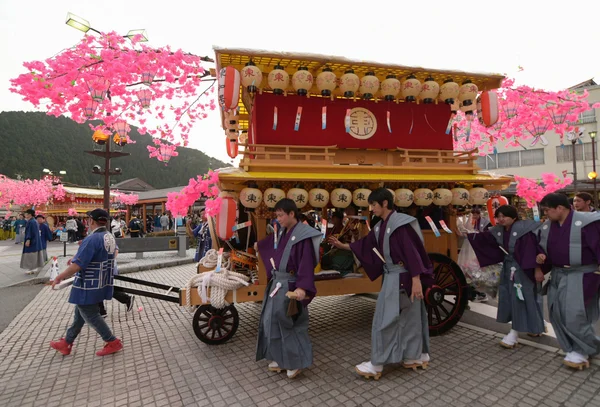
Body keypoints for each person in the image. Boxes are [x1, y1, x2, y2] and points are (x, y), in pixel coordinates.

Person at [329, 188, 434, 379]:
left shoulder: (400, 224)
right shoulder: (380, 226)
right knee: (410, 318)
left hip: (403, 278)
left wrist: (416, 279)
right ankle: (415, 356)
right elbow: (366, 245)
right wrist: (343, 246)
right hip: (396, 277)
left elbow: (412, 253)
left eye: (374, 204)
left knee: (383, 320)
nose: (371, 208)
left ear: (385, 203)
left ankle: (377, 364)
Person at [256, 198, 321, 379]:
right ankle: (280, 357)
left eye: (281, 215)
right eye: (276, 216)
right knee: (272, 321)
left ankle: (295, 362)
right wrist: (259, 246)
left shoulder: (303, 235)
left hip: (291, 284)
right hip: (277, 283)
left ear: (292, 214)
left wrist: (302, 288)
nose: (278, 219)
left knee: (289, 324)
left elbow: (306, 263)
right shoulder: (283, 232)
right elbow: (272, 245)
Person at [467, 205, 545, 348]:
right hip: (510, 267)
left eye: (505, 216)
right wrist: (467, 234)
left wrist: (537, 269)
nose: (501, 219)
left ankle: (514, 333)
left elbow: (531, 251)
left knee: (520, 297)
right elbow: (485, 239)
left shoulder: (524, 231)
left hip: (523, 268)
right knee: (517, 297)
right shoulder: (500, 230)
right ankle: (536, 327)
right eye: (499, 216)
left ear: (514, 217)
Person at [537, 193, 600, 370]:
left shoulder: (587, 222)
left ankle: (584, 349)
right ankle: (572, 347)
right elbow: (544, 249)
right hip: (558, 273)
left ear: (560, 208)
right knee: (556, 313)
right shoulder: (548, 226)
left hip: (582, 274)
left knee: (575, 314)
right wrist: (541, 257)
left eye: (547, 210)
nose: (546, 214)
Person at [49, 209, 123, 357]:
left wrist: (60, 277)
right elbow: (111, 254)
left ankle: (112, 341)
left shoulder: (91, 239)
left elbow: (78, 265)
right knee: (80, 313)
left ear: (91, 221)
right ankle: (67, 342)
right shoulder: (108, 236)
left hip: (89, 283)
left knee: (90, 314)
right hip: (103, 280)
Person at [98, 245, 136, 317]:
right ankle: (101, 311)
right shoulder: (102, 237)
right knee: (102, 288)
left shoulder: (103, 237)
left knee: (101, 288)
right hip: (105, 268)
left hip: (105, 269)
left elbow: (115, 250)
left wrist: (108, 263)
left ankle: (126, 299)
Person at [20, 209, 44, 275]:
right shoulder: (34, 221)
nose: (25, 215)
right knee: (34, 254)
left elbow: (31, 232)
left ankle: (31, 268)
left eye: (26, 213)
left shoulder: (31, 222)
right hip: (35, 240)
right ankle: (34, 267)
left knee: (31, 254)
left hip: (32, 241)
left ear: (29, 214)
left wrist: (28, 239)